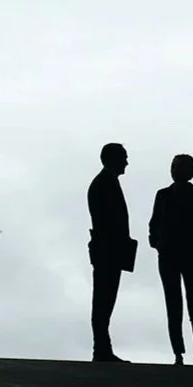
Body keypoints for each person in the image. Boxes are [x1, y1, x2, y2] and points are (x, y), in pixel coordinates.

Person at [148, 154, 193, 366]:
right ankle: (189, 353)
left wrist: (157, 242)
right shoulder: (185, 195)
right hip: (180, 255)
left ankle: (191, 353)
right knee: (180, 305)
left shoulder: (172, 195)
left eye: (177, 167)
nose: (173, 170)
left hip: (183, 255)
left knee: (187, 305)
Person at [87, 142, 131, 363]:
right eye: (123, 157)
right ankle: (101, 349)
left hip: (109, 250)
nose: (126, 162)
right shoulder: (104, 183)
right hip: (108, 251)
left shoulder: (106, 182)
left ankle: (102, 348)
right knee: (103, 300)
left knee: (104, 300)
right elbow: (108, 221)